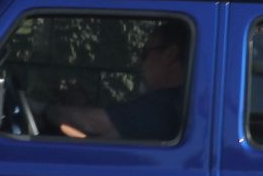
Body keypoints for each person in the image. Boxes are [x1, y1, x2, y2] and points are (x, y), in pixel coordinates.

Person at [44, 21, 188, 140]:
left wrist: (46, 109)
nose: (139, 62)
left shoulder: (164, 105)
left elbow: (95, 125)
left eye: (145, 53)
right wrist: (83, 105)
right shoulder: (179, 101)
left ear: (170, 55)